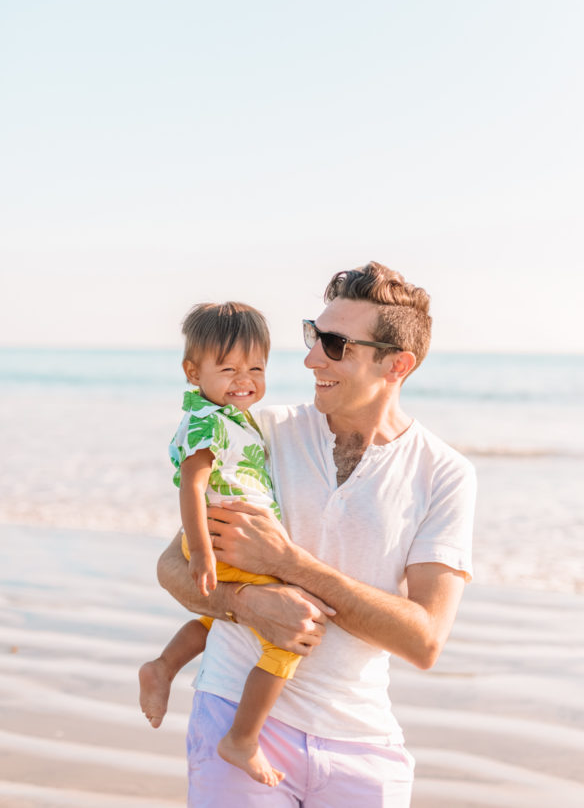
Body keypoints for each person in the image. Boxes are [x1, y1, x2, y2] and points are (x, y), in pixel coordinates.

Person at [157, 262, 476, 807]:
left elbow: (424, 640)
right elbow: (173, 568)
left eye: (334, 344)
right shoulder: (257, 431)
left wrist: (290, 563)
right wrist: (248, 604)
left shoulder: (444, 473)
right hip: (235, 715)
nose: (309, 358)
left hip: (364, 744)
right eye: (313, 336)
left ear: (397, 364)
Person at [139, 301, 319, 788]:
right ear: (193, 372)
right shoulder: (207, 422)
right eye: (229, 369)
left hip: (234, 545)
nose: (246, 379)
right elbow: (191, 487)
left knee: (210, 618)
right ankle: (241, 738)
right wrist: (198, 551)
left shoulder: (235, 418)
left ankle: (163, 666)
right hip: (225, 545)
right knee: (290, 638)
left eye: (256, 368)